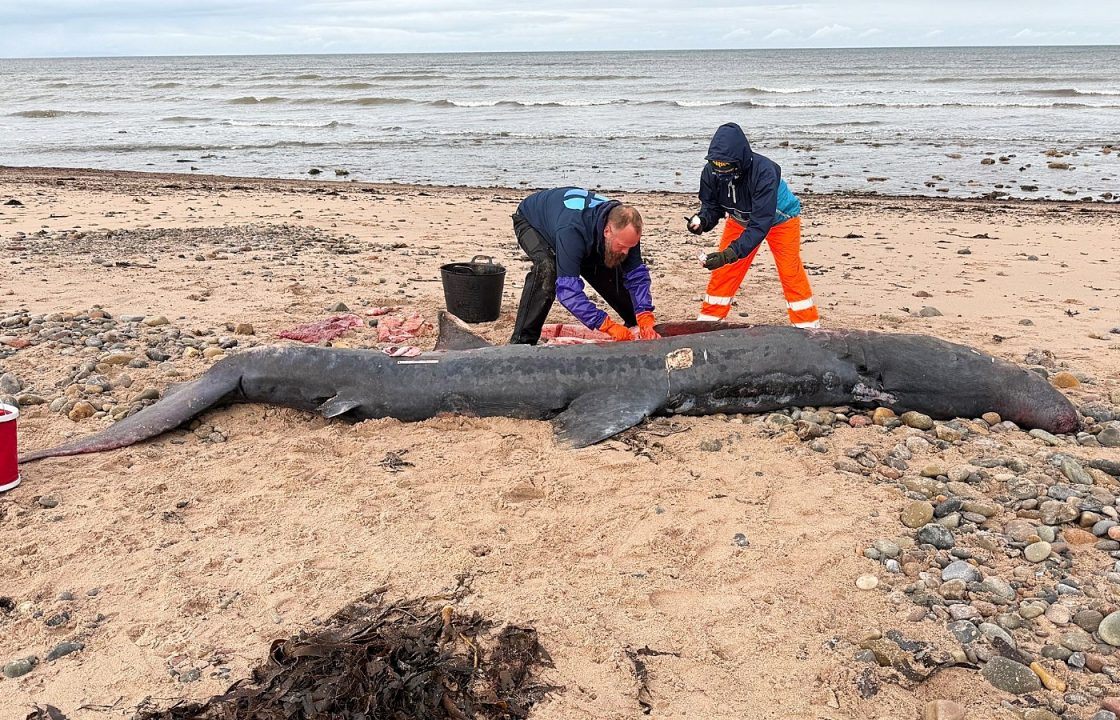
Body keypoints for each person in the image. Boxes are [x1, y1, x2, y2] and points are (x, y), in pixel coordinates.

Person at [686, 122, 820, 328]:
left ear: (739, 160)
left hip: (780, 219)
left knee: (789, 271)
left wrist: (728, 254)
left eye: (726, 165)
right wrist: (702, 221)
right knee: (724, 271)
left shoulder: (764, 172)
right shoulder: (710, 172)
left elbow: (759, 225)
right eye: (716, 164)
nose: (720, 170)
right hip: (739, 218)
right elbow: (711, 206)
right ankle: (708, 322)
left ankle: (808, 326)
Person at [509, 187, 658, 345]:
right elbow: (568, 292)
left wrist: (644, 314)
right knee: (548, 268)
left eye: (631, 246)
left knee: (614, 259)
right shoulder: (572, 233)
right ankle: (522, 341)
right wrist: (605, 324)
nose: (627, 250)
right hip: (531, 222)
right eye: (623, 245)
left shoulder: (626, 230)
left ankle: (634, 325)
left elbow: (637, 276)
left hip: (583, 231)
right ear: (607, 231)